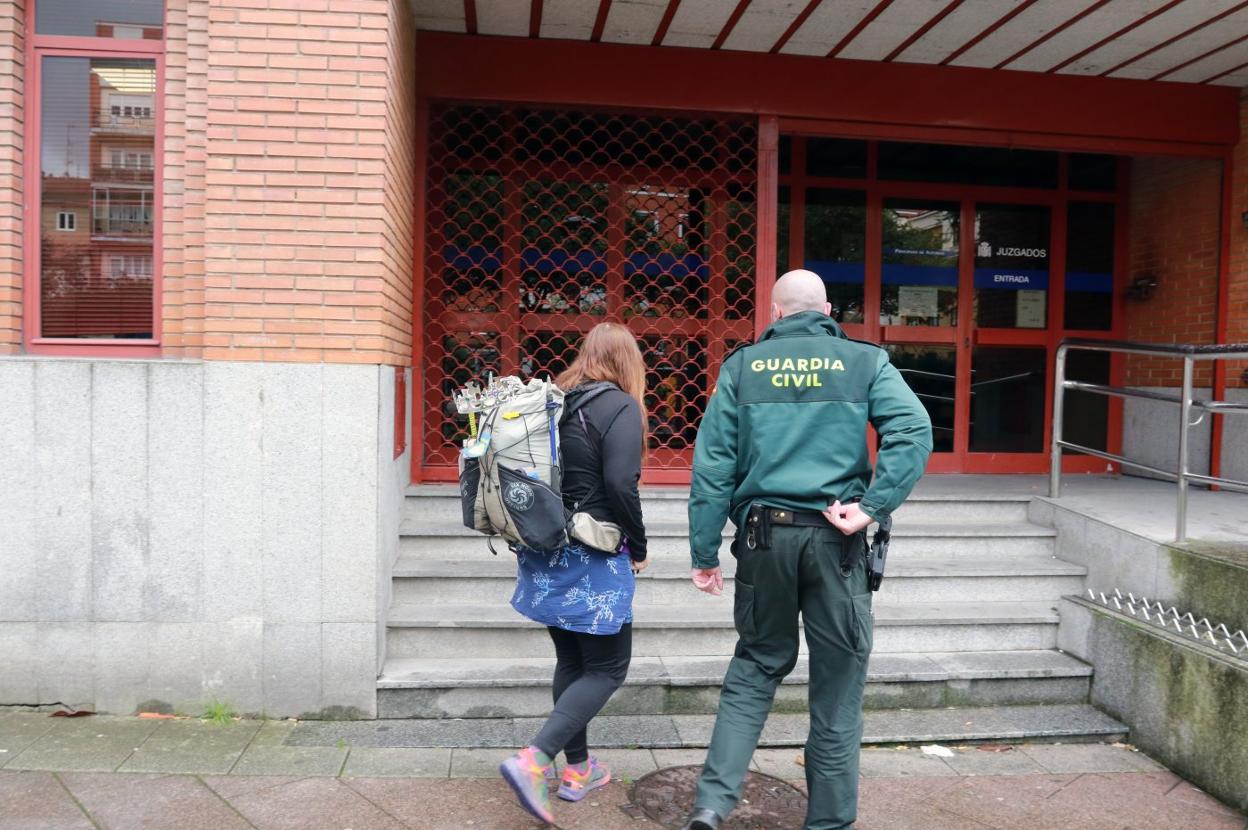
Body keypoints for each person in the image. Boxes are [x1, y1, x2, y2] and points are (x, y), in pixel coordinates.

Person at [681, 270, 933, 830]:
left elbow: (713, 467)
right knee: (838, 682)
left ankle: (711, 805)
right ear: (826, 311)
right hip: (836, 539)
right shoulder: (864, 361)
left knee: (754, 665)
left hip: (763, 537)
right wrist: (873, 506)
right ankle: (828, 822)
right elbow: (913, 430)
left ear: (774, 314)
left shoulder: (743, 367)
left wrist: (704, 553)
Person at [499, 322, 650, 824]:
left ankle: (579, 769)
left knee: (572, 659)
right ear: (628, 362)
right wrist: (640, 545)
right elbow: (620, 483)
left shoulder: (555, 401)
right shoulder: (620, 406)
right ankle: (534, 759)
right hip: (593, 551)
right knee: (607, 668)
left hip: (546, 547)